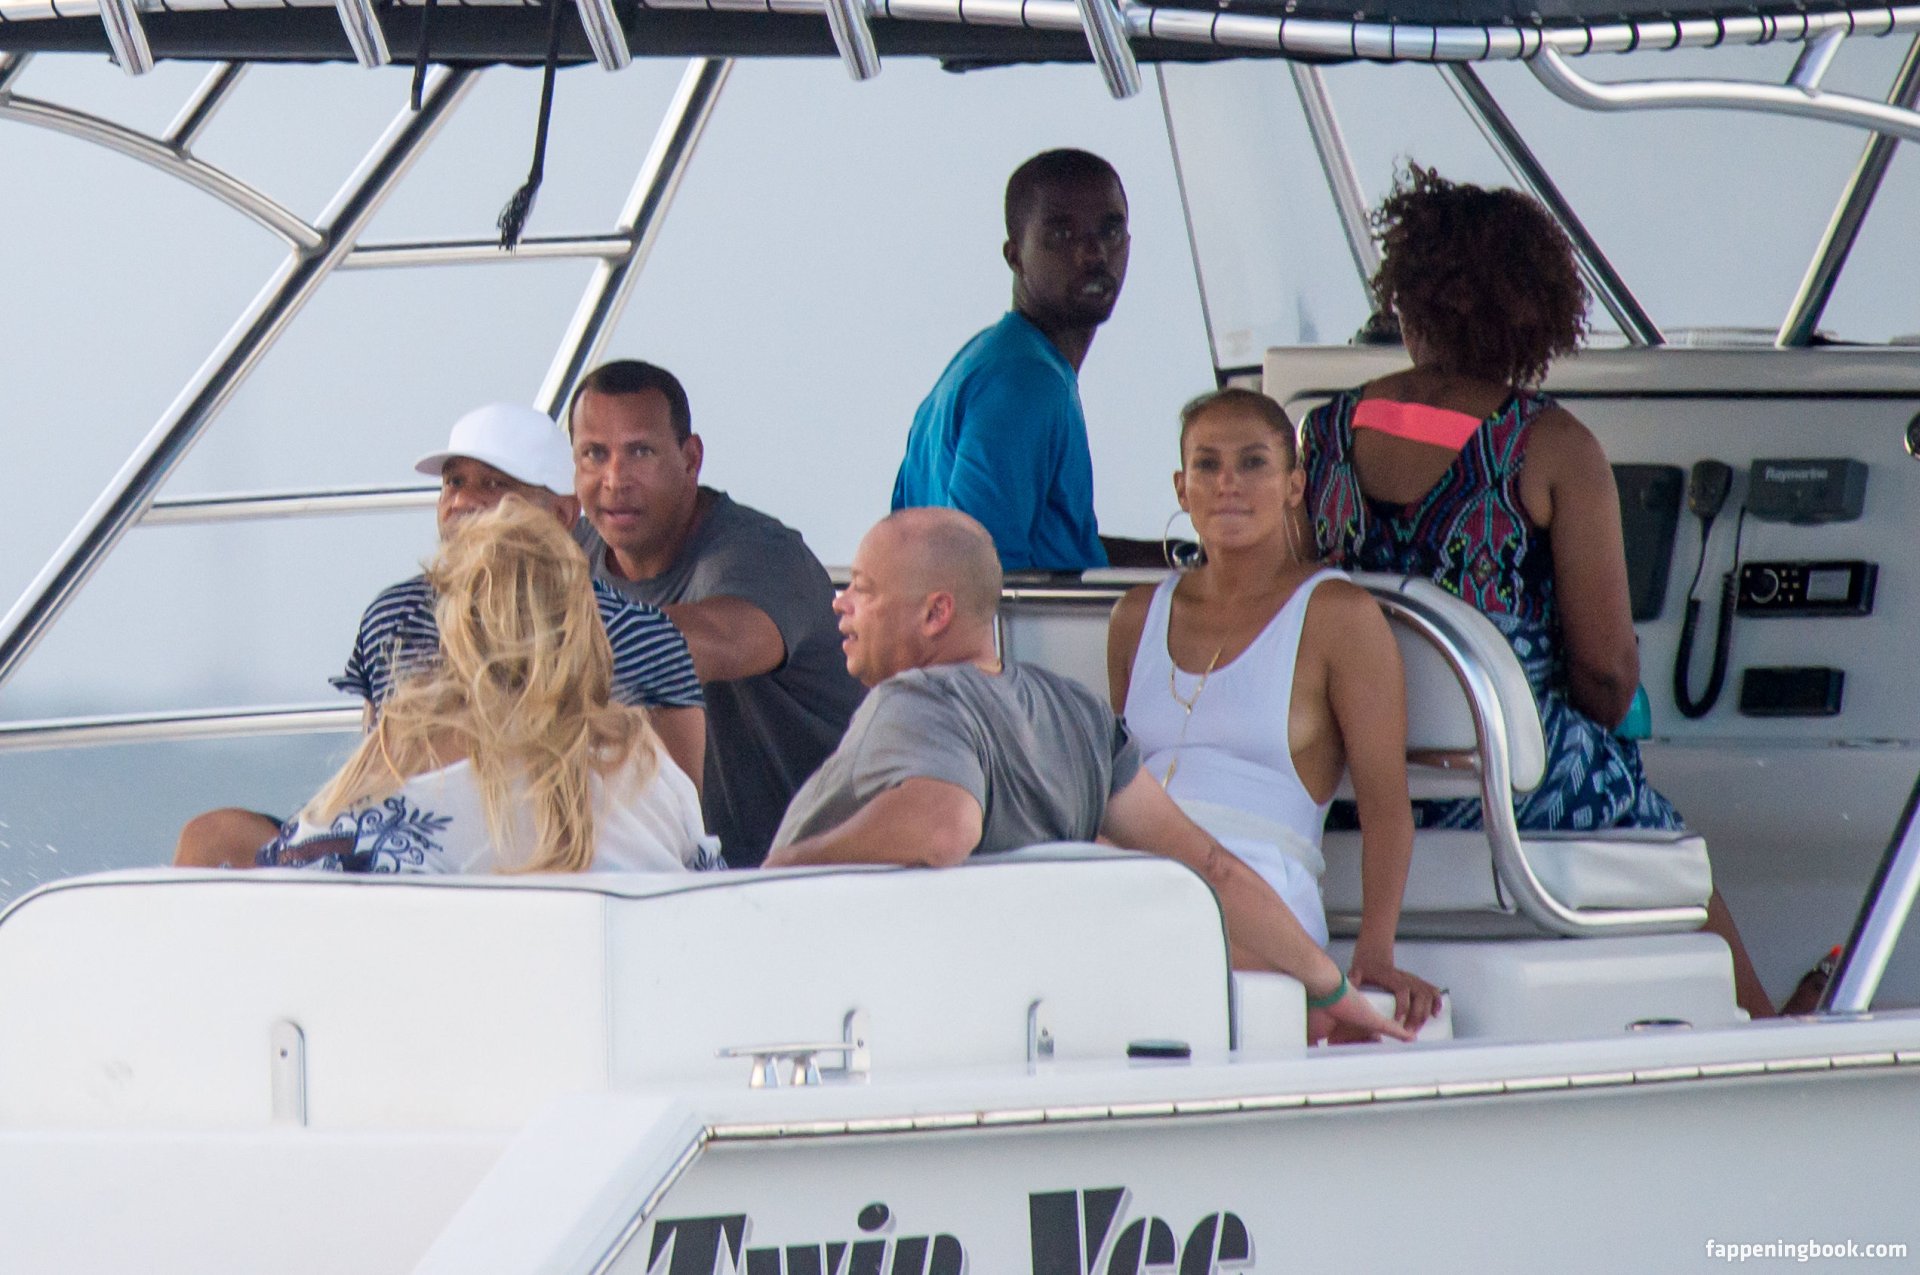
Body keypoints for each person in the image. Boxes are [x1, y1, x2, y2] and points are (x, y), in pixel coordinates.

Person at [1300, 165, 1772, 1019]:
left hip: (1356, 784)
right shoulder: (1550, 446)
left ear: (1409, 297)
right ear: (1533, 310)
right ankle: (1768, 1030)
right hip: (1501, 785)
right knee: (1667, 835)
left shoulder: (1324, 433)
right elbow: (1606, 673)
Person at [765, 507, 1412, 1044]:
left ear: (935, 614)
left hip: (887, 1023)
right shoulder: (1077, 712)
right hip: (1046, 1026)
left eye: (863, 589)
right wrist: (1327, 986)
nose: (840, 603)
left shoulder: (917, 697)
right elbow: (1211, 866)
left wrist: (785, 864)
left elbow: (943, 828)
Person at [174, 403, 705, 869]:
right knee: (212, 836)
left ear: (563, 513)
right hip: (459, 834)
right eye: (453, 483)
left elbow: (670, 802)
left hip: (514, 839)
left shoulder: (644, 636)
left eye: (494, 486)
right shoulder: (396, 616)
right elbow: (381, 770)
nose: (463, 501)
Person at [1107, 388, 1439, 1029]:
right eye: (1207, 464)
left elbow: (1385, 806)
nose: (1228, 483)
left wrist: (1374, 955)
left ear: (1294, 486)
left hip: (1264, 892)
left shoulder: (1339, 616)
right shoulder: (1135, 616)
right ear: (1181, 488)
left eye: (1253, 462)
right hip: (1136, 874)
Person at [256, 500, 718, 875]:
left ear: (456, 627)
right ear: (585, 625)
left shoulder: (401, 755)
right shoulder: (643, 766)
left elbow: (302, 864)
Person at [570, 360, 866, 866]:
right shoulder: (575, 553)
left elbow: (714, 642)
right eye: (595, 454)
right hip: (677, 871)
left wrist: (524, 638)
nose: (615, 480)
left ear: (690, 459)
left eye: (640, 452)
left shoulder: (761, 554)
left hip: (811, 870)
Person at [893, 148, 1156, 572]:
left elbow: (1059, 547)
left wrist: (1192, 562)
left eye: (1110, 231)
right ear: (1015, 255)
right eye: (1062, 234)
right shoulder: (1025, 382)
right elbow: (982, 572)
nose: (1094, 254)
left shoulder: (990, 358)